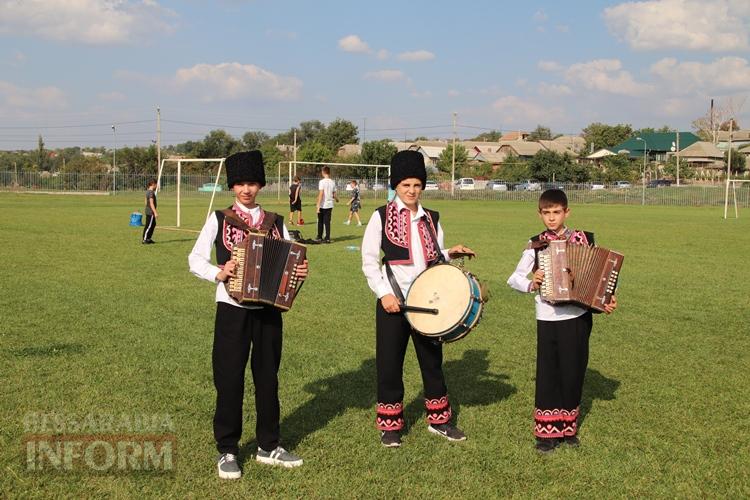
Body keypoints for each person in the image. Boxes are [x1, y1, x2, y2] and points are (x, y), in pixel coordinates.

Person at [188, 150, 309, 479]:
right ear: (232, 186)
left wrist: (299, 271)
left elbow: (291, 263)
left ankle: (269, 445)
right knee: (229, 378)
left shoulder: (276, 222)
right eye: (240, 183)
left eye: (252, 183)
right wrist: (219, 271)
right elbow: (195, 259)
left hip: (268, 310)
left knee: (268, 377)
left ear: (260, 185)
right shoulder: (219, 219)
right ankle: (227, 449)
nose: (246, 189)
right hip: (232, 309)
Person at [361, 150, 475, 448]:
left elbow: (433, 258)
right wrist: (384, 293)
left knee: (432, 362)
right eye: (405, 185)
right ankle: (390, 426)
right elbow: (369, 260)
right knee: (389, 364)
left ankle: (439, 421)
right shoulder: (381, 216)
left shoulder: (431, 218)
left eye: (416, 185)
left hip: (428, 303)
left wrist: (451, 252)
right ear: (395, 186)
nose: (411, 191)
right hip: (393, 303)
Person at [506, 188, 617, 454]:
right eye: (547, 213)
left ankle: (568, 428)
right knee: (549, 373)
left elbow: (600, 272)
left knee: (573, 370)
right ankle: (546, 433)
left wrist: (606, 299)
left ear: (567, 212)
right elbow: (514, 279)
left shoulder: (584, 239)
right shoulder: (536, 245)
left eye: (557, 212)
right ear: (540, 214)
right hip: (548, 317)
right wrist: (532, 282)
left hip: (578, 315)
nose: (552, 218)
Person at [316, 166, 338, 243]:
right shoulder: (332, 182)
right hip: (330, 205)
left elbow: (321, 194)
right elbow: (334, 194)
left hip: (323, 205)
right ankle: (327, 238)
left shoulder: (322, 182)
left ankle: (319, 237)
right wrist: (337, 199)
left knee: (320, 221)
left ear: (323, 172)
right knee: (327, 222)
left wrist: (318, 206)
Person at [142, 179, 158, 244]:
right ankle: (145, 239)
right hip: (150, 212)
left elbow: (145, 201)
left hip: (149, 211)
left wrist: (147, 207)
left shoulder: (148, 191)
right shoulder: (151, 192)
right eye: (156, 184)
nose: (157, 186)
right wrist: (155, 212)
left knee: (153, 224)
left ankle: (148, 238)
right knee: (148, 226)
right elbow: (151, 203)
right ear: (153, 184)